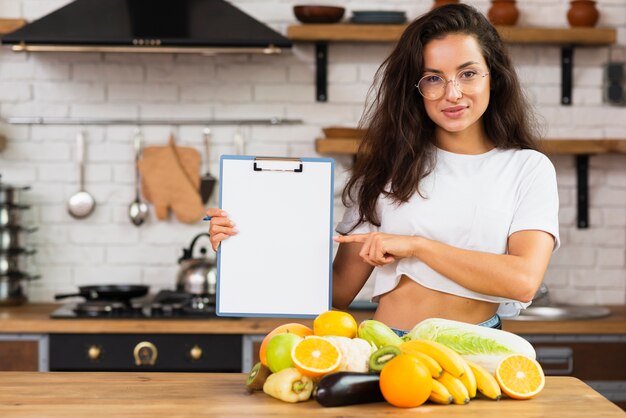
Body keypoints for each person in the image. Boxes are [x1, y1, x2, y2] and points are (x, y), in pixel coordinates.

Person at [206, 4, 559, 335]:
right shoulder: (387, 169)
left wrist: (417, 246)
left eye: (467, 73)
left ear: (493, 78)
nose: (452, 93)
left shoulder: (527, 168)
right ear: (416, 90)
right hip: (387, 348)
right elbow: (333, 296)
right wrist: (246, 249)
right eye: (433, 78)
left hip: (478, 350)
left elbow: (523, 280)